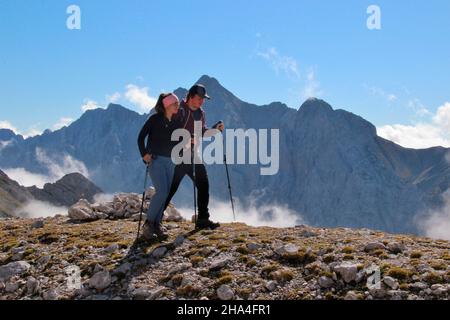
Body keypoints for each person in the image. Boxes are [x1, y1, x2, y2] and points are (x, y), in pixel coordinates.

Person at [163, 83, 225, 230]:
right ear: (190, 96)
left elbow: (202, 132)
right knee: (170, 188)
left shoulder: (201, 113)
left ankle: (203, 219)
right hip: (175, 155)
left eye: (203, 99)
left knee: (203, 183)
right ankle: (153, 220)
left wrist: (215, 130)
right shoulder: (179, 110)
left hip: (191, 155)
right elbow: (167, 129)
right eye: (199, 98)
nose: (201, 101)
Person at [137, 92, 180, 241]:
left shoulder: (174, 122)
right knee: (161, 191)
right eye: (175, 103)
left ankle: (157, 224)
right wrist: (144, 154)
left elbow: (177, 140)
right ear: (167, 105)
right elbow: (141, 137)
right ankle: (148, 224)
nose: (178, 106)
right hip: (155, 160)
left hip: (170, 161)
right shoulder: (154, 120)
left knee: (166, 193)